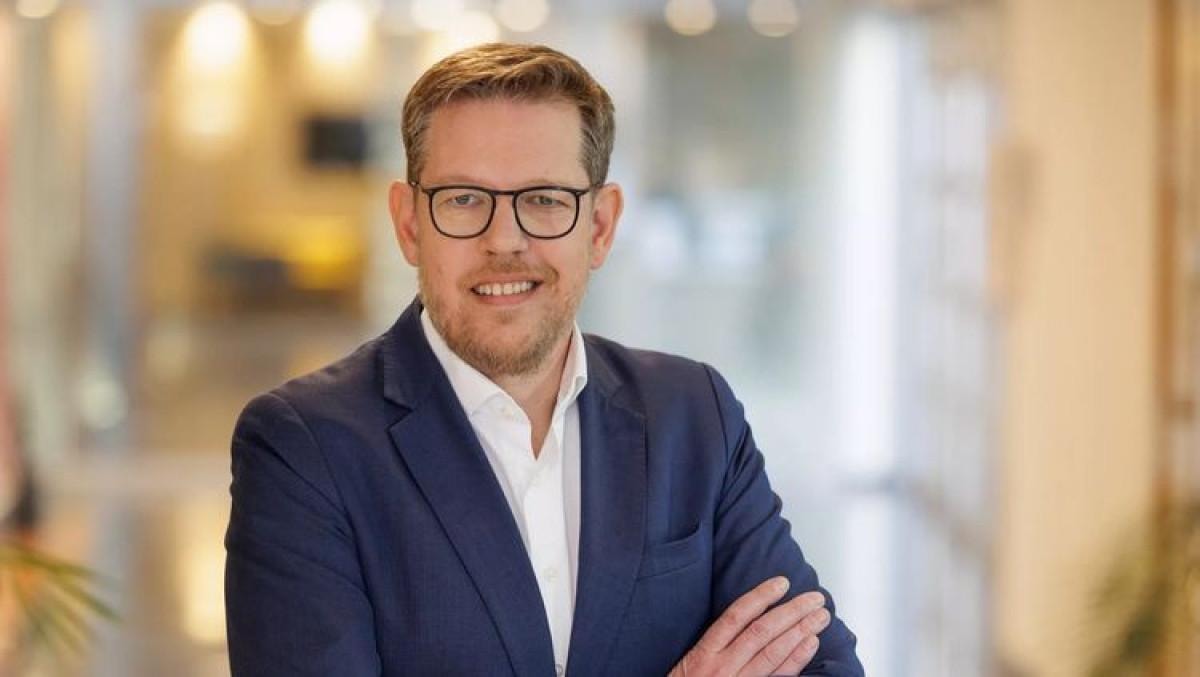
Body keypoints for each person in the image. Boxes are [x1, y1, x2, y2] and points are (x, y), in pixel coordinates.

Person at [224, 42, 863, 676]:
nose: (504, 240)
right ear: (410, 224)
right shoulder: (304, 449)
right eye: (464, 199)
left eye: (545, 199)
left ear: (601, 226)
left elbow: (823, 664)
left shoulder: (694, 415)